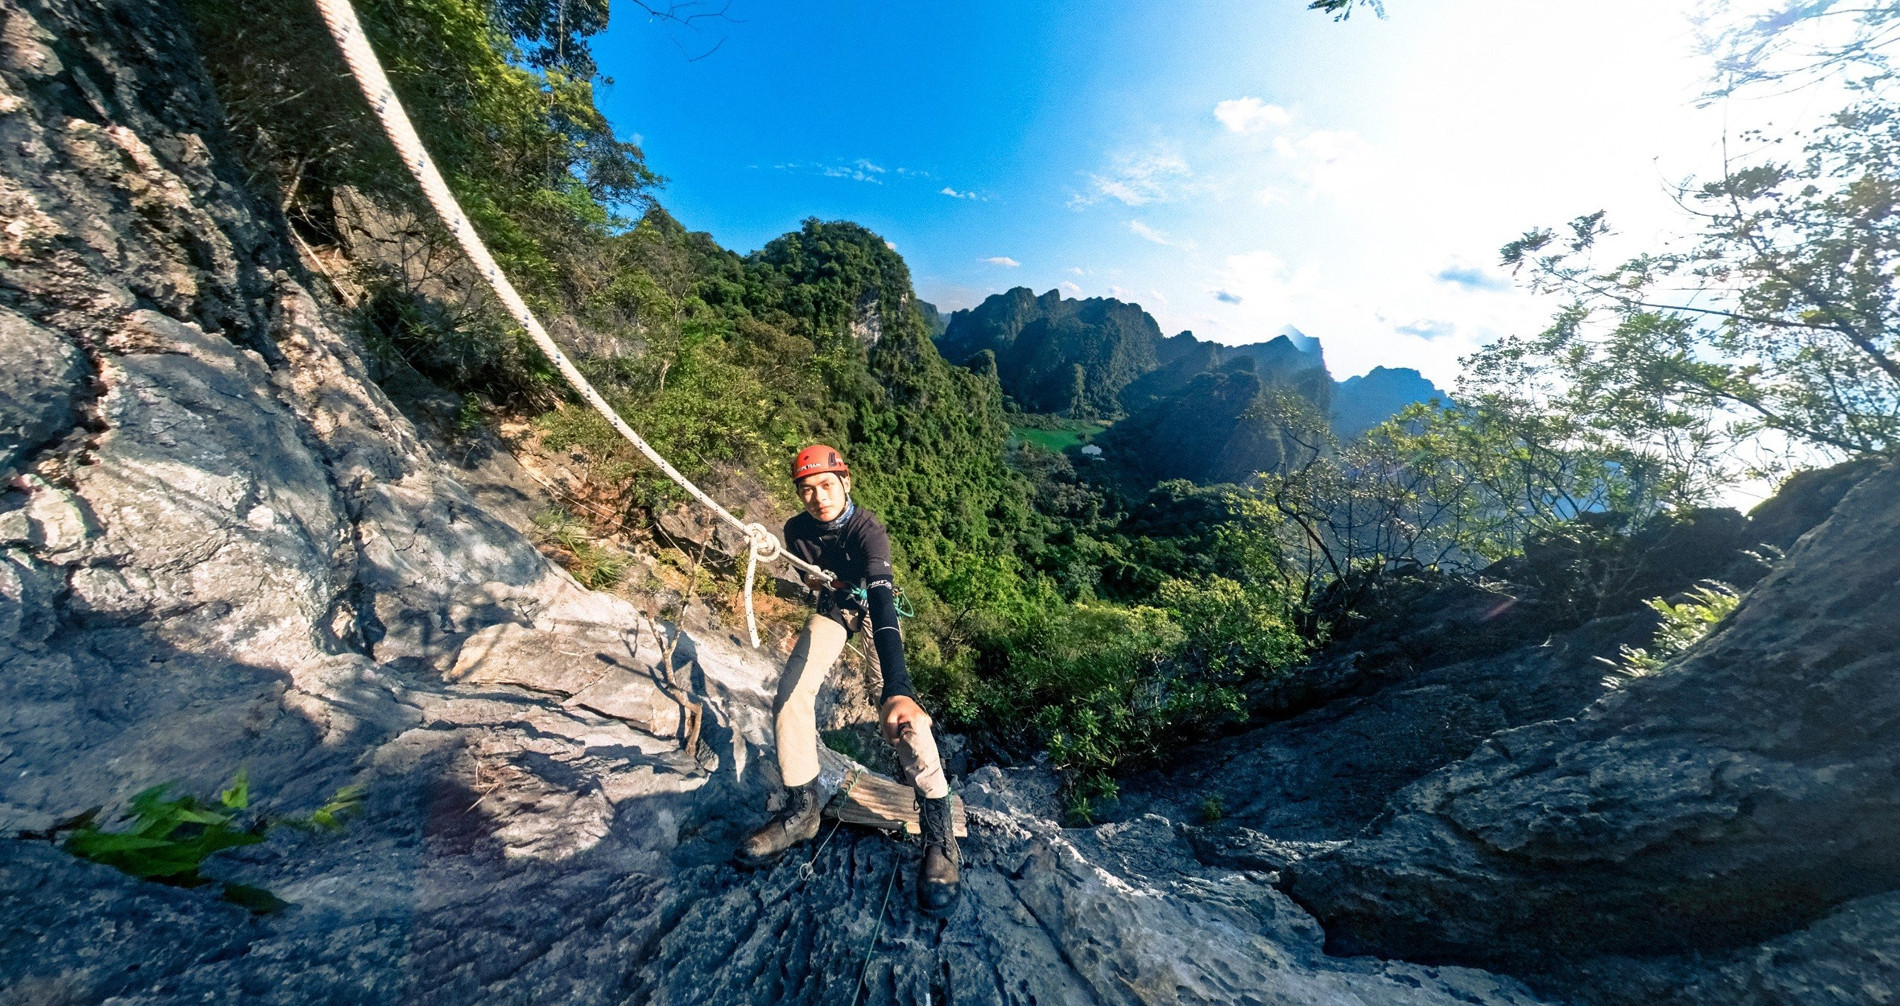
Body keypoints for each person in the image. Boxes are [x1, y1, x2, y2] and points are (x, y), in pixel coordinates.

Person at [738, 444, 960, 914]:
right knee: (791, 694)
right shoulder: (796, 531)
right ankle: (803, 811)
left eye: (826, 485)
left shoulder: (868, 531)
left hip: (874, 609)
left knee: (903, 715)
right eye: (806, 490)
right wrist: (821, 585)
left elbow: (880, 599)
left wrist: (898, 686)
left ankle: (940, 837)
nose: (817, 497)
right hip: (838, 609)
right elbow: (814, 582)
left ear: (846, 483)